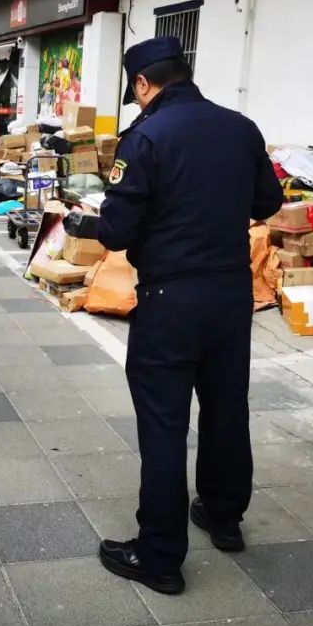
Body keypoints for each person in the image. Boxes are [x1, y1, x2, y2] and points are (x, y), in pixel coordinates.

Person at [67, 36, 283, 595]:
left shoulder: (146, 136)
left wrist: (85, 222)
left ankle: (159, 555)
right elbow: (267, 204)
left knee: (164, 424)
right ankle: (223, 514)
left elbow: (116, 231)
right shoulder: (241, 127)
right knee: (226, 406)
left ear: (143, 84)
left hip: (171, 299)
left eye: (134, 92)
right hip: (232, 295)